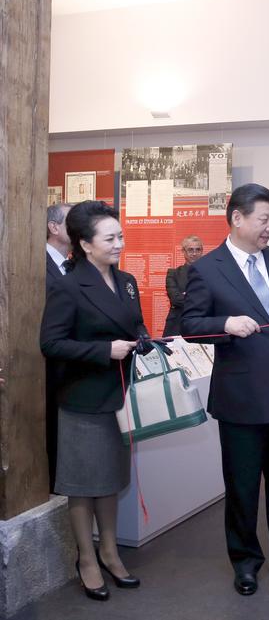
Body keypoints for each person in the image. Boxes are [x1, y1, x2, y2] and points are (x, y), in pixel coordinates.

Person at [181, 183, 269, 596]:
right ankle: (244, 561)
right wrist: (224, 325)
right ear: (238, 218)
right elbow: (190, 324)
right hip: (241, 399)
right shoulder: (207, 268)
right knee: (242, 487)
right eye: (264, 219)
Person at [40, 201, 144, 601]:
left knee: (111, 481)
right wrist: (105, 351)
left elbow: (133, 323)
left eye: (120, 236)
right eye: (110, 238)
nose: (119, 244)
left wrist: (143, 339)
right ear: (85, 244)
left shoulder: (128, 280)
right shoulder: (67, 286)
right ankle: (87, 560)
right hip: (83, 400)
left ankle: (111, 553)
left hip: (119, 398)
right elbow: (50, 343)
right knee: (83, 485)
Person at [45, 202, 73, 489]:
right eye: (70, 221)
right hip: (44, 370)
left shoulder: (74, 266)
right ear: (54, 228)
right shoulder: (36, 264)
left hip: (70, 370)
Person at [163, 235, 204, 337]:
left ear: (202, 251)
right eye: (190, 250)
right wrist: (202, 298)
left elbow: (215, 298)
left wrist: (187, 295)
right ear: (183, 251)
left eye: (197, 250)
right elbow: (176, 299)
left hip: (203, 326)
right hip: (177, 326)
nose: (194, 253)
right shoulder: (173, 274)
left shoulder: (211, 274)